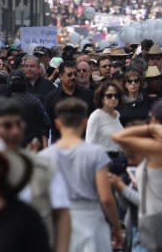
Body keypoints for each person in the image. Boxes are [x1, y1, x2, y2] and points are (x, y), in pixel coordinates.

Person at [0, 96, 71, 252]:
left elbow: (62, 214)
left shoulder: (42, 167)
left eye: (18, 124)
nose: (15, 131)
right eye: (6, 126)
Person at [41, 98, 123, 251]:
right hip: (91, 221)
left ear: (57, 123)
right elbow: (105, 197)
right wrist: (116, 226)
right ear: (85, 122)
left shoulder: (45, 157)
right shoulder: (96, 153)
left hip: (59, 223)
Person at [113, 99, 162, 252]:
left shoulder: (159, 149)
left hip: (156, 230)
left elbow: (118, 137)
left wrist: (149, 128)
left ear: (155, 120)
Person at [86, 81, 125, 174]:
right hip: (103, 161)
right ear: (101, 98)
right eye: (109, 96)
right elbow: (89, 144)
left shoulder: (117, 115)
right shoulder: (96, 116)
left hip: (120, 161)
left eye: (116, 96)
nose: (113, 98)